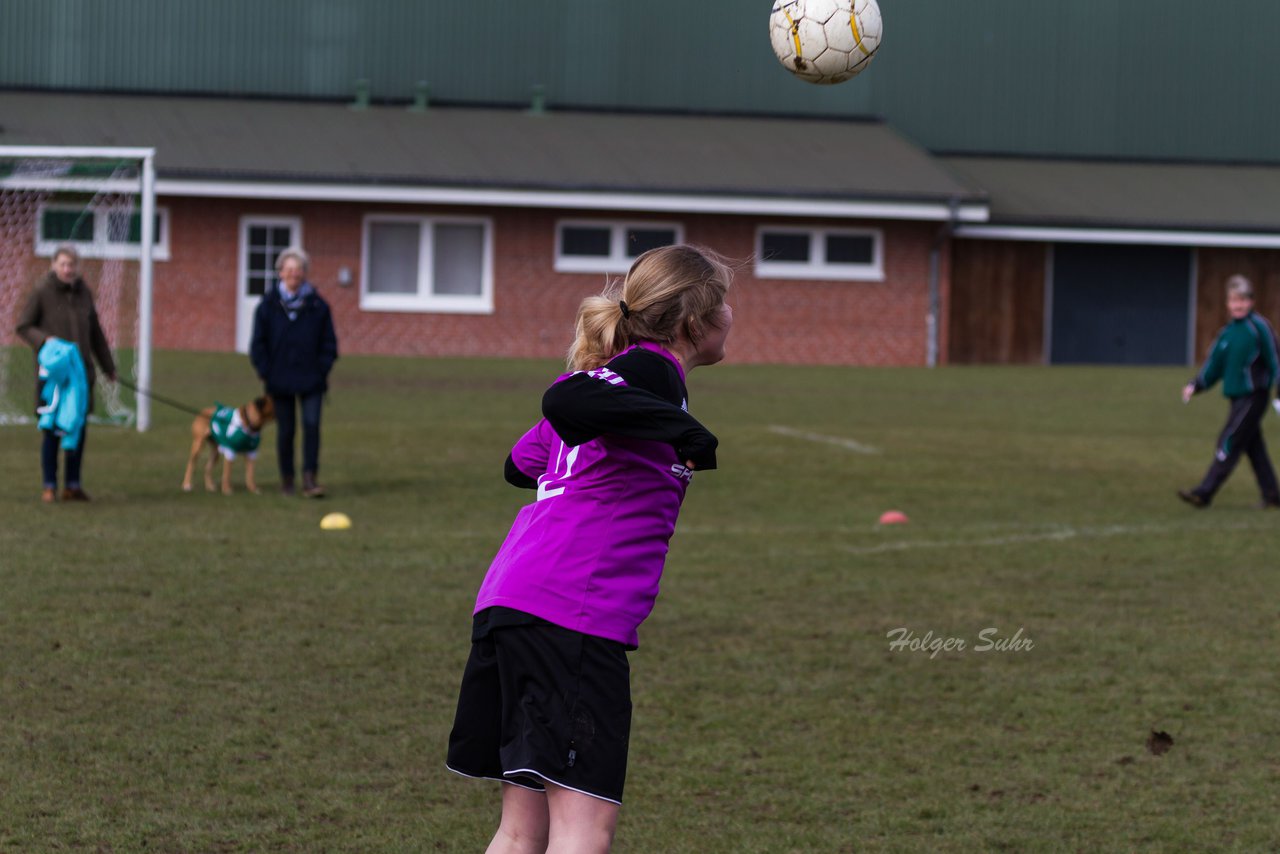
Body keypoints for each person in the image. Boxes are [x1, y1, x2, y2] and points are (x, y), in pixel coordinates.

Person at [446, 244, 735, 853]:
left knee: (522, 830)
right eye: (725, 303)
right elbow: (563, 402)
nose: (733, 315)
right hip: (568, 614)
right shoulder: (652, 370)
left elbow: (520, 462)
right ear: (693, 323)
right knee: (584, 832)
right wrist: (686, 433)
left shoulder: (623, 381)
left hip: (514, 601)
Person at [15, 245, 117, 503]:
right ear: (54, 265)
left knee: (77, 428)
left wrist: (108, 367)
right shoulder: (41, 292)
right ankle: (49, 484)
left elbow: (96, 333)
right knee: (52, 430)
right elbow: (23, 326)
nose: (68, 269)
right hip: (54, 378)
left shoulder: (85, 294)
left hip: (81, 376)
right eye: (63, 264)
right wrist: (45, 340)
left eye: (72, 265)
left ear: (77, 267)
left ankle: (72, 485)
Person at [1179, 274, 1280, 509]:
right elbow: (1213, 366)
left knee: (1230, 440)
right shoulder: (1226, 334)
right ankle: (1273, 495)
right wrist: (1196, 385)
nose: (1239, 305)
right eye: (1234, 300)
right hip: (1235, 398)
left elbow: (1276, 359)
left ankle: (1204, 492)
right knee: (1253, 446)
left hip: (1255, 395)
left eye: (1243, 300)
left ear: (1251, 302)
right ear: (1228, 303)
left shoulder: (1259, 327)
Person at [249, 247, 338, 498]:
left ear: (305, 274)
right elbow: (258, 344)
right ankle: (287, 479)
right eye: (288, 270)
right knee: (285, 430)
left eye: (298, 270)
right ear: (280, 273)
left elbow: (329, 344)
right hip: (279, 380)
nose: (293, 275)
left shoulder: (319, 306)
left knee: (312, 426)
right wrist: (265, 371)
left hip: (312, 380)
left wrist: (322, 370)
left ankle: (310, 478)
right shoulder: (267, 306)